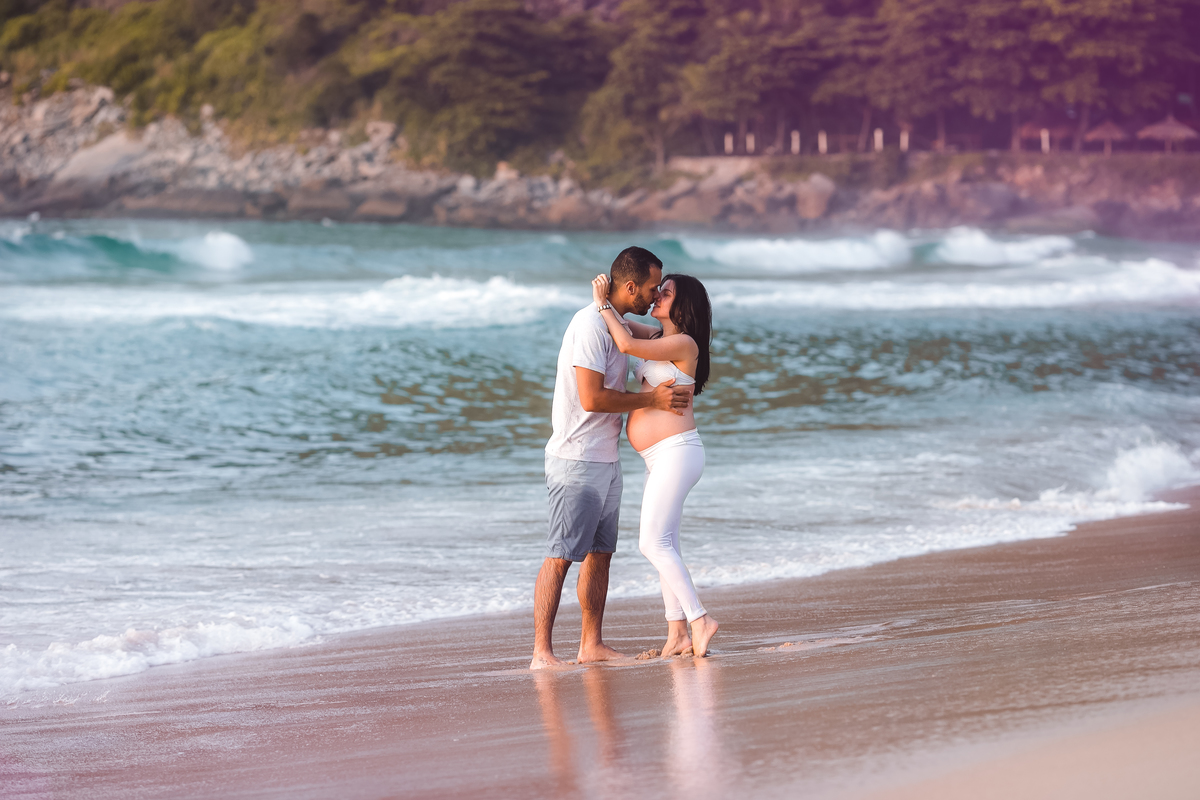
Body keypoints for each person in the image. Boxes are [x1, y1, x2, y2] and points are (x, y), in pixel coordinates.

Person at [531, 246, 691, 670]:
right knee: (561, 554)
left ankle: (591, 643)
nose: (656, 295)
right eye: (653, 288)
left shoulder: (615, 321)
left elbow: (655, 339)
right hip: (576, 458)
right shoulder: (590, 326)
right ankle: (542, 652)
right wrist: (651, 399)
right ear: (631, 287)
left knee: (601, 554)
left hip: (606, 459)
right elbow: (592, 397)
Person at [590, 268, 719, 658]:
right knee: (667, 544)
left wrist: (601, 304)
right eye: (657, 290)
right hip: (660, 456)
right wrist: (612, 298)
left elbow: (625, 343)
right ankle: (677, 633)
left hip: (677, 451)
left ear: (685, 305)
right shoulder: (661, 336)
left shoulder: (685, 344)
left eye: (666, 292)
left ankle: (700, 620)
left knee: (652, 543)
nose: (657, 296)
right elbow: (625, 324)